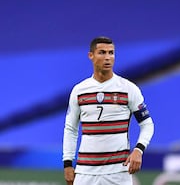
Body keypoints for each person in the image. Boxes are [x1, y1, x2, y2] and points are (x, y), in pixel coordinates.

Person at [62, 36, 155, 185]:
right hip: (86, 172)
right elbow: (70, 129)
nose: (108, 58)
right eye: (102, 52)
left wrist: (139, 149)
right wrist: (67, 163)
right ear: (91, 56)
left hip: (118, 173)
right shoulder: (79, 91)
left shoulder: (128, 89)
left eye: (111, 53)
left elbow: (147, 124)